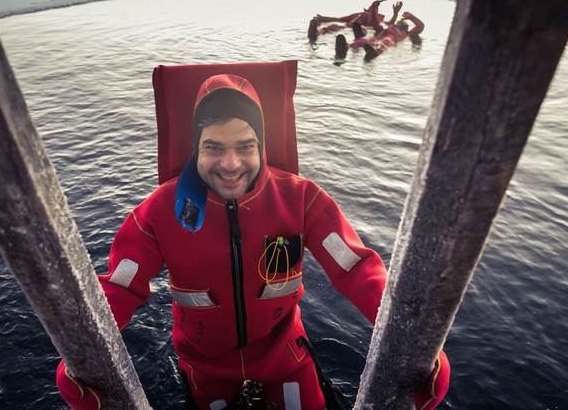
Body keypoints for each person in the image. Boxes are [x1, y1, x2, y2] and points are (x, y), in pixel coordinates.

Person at [56, 74, 449, 410]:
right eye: (214, 147)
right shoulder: (158, 213)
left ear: (261, 146)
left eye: (245, 146)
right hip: (204, 363)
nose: (231, 164)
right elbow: (121, 286)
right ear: (196, 148)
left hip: (284, 354)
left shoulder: (302, 199)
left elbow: (357, 268)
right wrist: (85, 353)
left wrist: (411, 339)